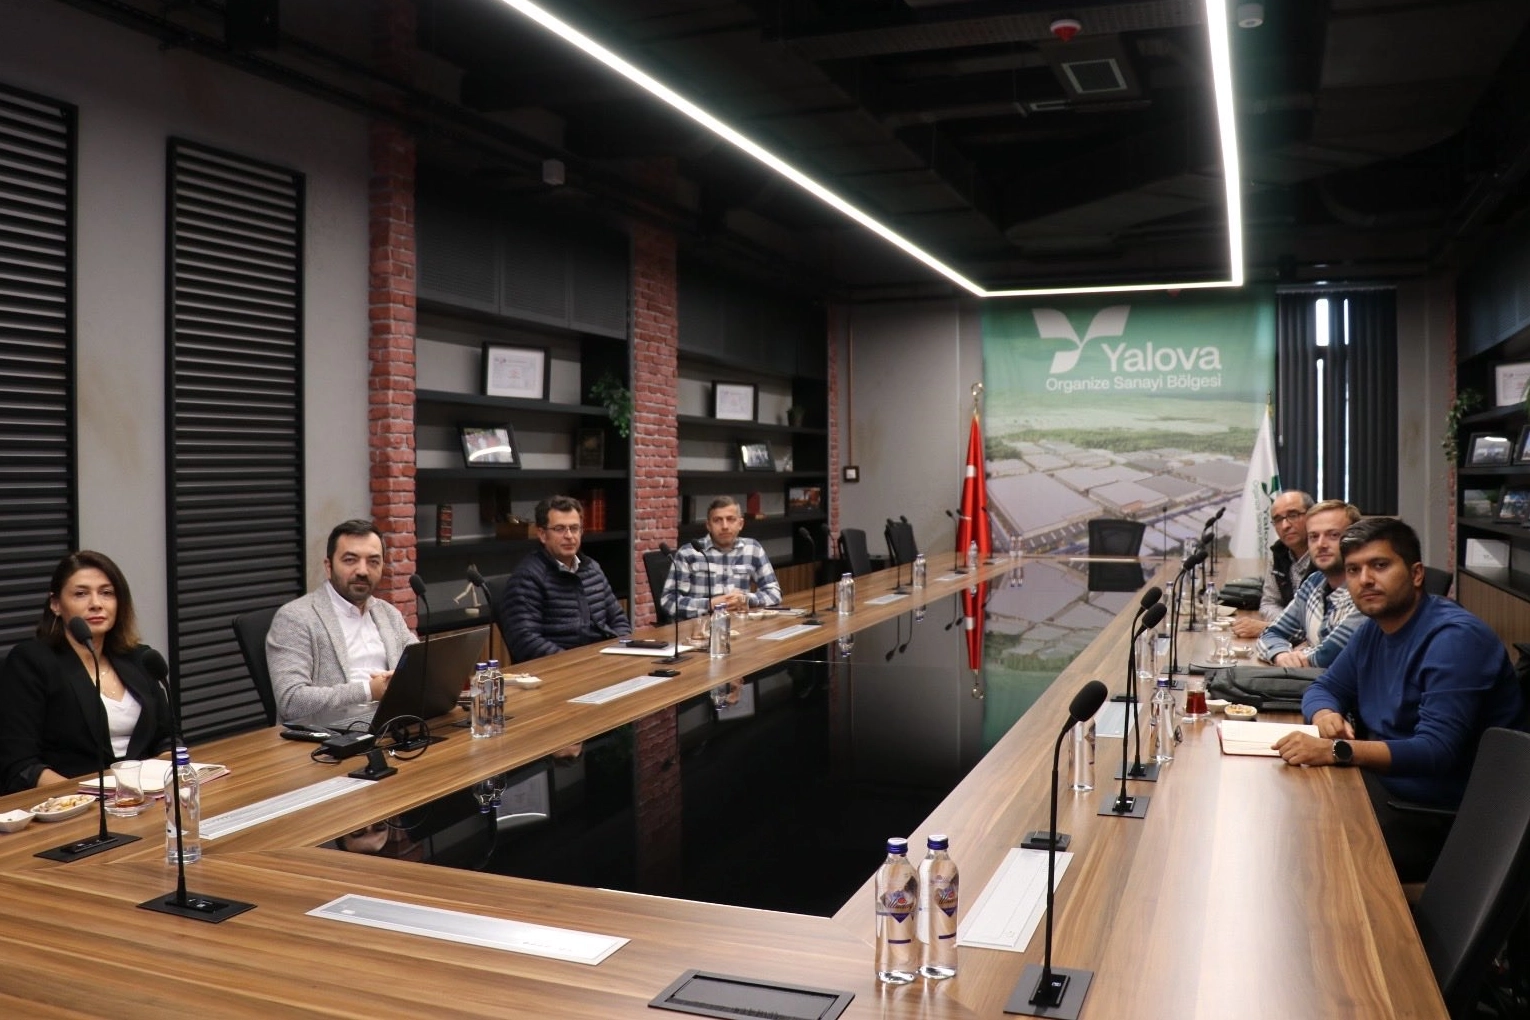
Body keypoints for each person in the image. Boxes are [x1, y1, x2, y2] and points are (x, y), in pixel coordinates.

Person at [1274, 517, 1521, 880]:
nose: (1365, 580)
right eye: (1354, 570)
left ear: (1416, 574)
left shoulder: (1455, 639)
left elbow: (1435, 751)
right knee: (1281, 807)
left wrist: (1337, 750)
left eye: (1379, 565)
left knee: (1298, 846)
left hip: (1442, 817)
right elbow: (1324, 688)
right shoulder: (1374, 630)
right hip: (1386, 787)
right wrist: (1325, 714)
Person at [0, 551, 171, 793]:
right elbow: (21, 765)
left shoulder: (139, 658)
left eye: (106, 593)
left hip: (143, 797)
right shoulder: (31, 661)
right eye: (81, 594)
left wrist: (162, 781)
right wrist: (94, 796)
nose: (96, 603)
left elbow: (167, 738)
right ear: (56, 604)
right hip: (71, 802)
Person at [267, 519, 417, 720]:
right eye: (350, 560)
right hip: (330, 734)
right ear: (329, 567)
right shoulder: (295, 618)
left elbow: (420, 667)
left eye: (373, 561)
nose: (362, 571)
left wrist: (404, 680)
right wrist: (369, 691)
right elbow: (291, 701)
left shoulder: (388, 614)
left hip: (392, 724)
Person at [499, 495, 631, 662]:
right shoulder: (528, 577)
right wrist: (574, 662)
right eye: (559, 529)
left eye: (574, 528)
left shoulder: (592, 569)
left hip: (602, 661)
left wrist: (619, 653)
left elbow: (619, 620)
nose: (569, 536)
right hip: (559, 668)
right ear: (542, 534)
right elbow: (525, 641)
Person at [1254, 499, 1362, 668]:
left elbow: (1329, 656)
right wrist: (1280, 654)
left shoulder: (1364, 590)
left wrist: (1299, 655)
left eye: (1333, 535)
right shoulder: (1314, 582)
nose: (1321, 545)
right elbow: (1270, 634)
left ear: (1355, 540)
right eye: (1313, 537)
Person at [660, 496, 783, 619]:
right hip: (701, 626)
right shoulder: (689, 553)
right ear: (708, 525)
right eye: (717, 520)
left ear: (740, 524)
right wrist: (710, 604)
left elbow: (774, 592)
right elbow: (668, 601)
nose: (724, 526)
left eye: (730, 519)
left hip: (740, 625)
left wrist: (746, 599)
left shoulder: (752, 549)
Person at [1232, 490, 1313, 639]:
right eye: (1278, 519)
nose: (1285, 525)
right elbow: (1269, 602)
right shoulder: (1278, 554)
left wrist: (1271, 627)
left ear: (1312, 516)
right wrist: (1285, 625)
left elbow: (1321, 625)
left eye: (1293, 515)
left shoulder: (1325, 557)